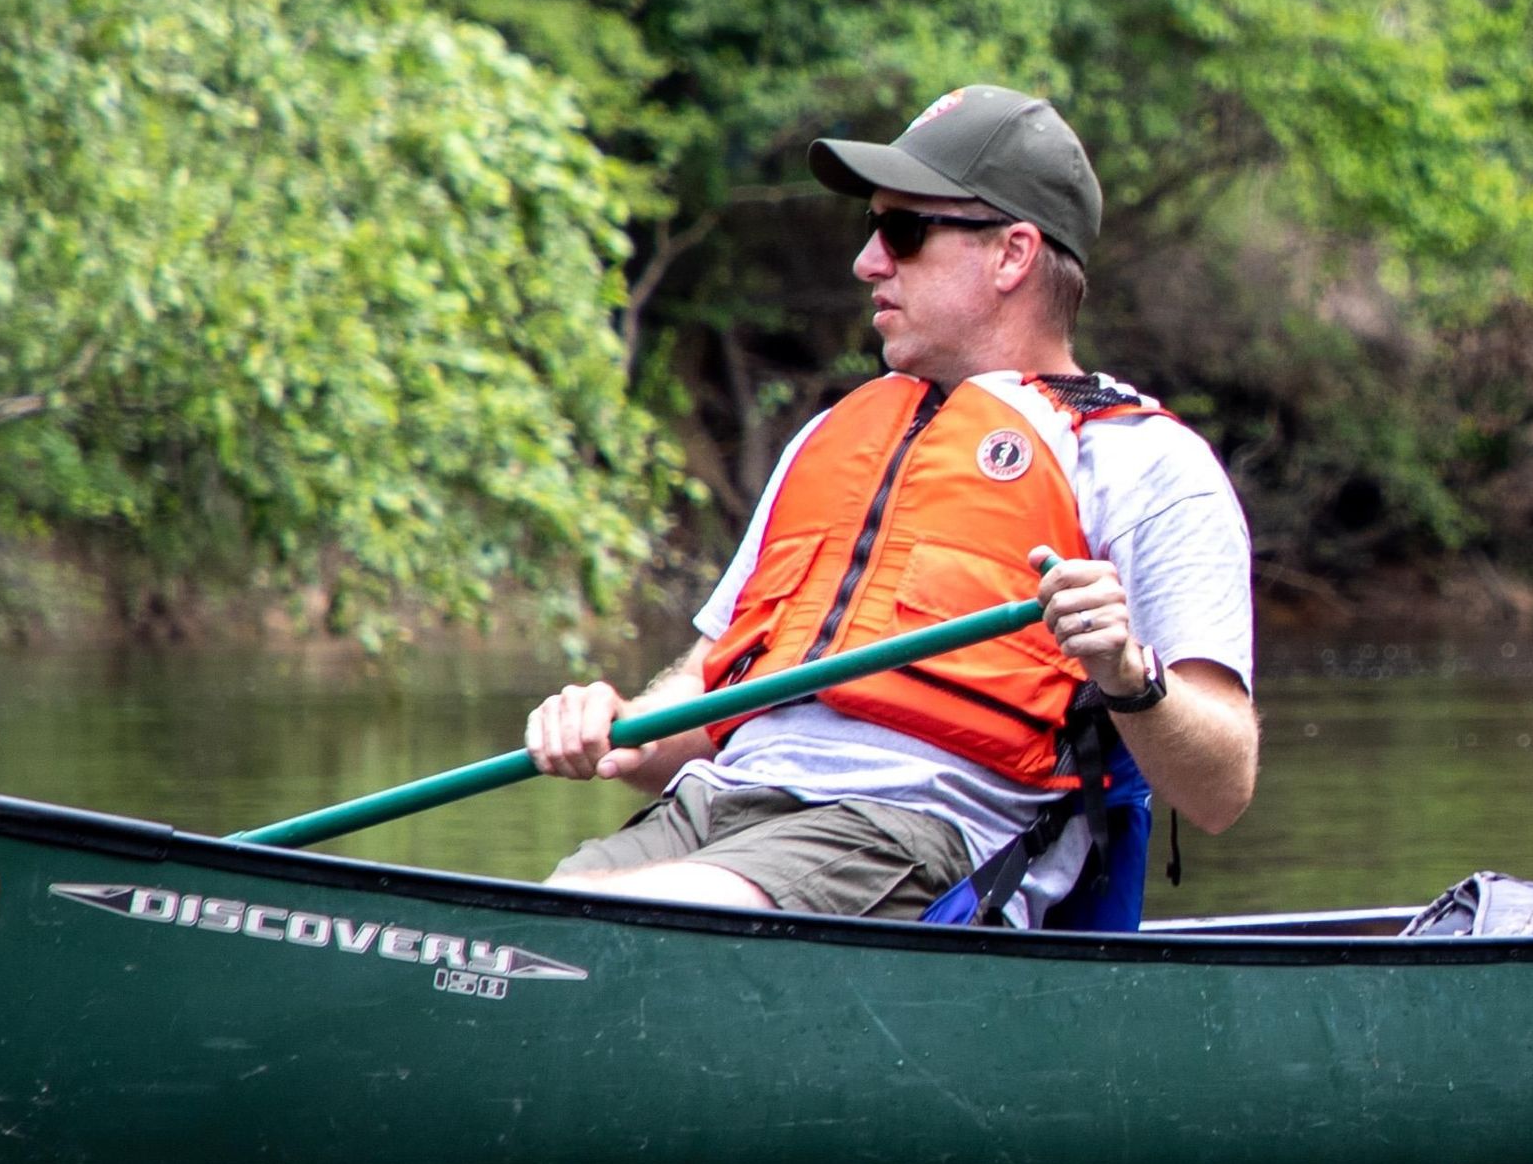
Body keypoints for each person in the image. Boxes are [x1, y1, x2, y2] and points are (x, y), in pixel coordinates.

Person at [525, 84, 1257, 925]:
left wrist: (1130, 676)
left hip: (907, 835)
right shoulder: (831, 438)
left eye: (903, 232)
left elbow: (1222, 788)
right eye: (870, 230)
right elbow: (708, 685)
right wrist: (622, 726)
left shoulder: (1147, 466)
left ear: (1013, 254)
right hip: (714, 807)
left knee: (619, 927)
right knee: (541, 921)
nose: (867, 261)